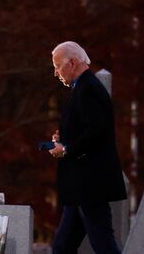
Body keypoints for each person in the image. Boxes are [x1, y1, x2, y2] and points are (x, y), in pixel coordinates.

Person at [49, 41, 127, 254]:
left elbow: (96, 132)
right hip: (81, 185)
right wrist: (64, 138)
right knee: (62, 247)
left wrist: (66, 149)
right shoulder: (83, 88)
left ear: (72, 63)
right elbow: (87, 128)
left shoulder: (89, 89)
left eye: (57, 66)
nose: (56, 73)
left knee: (103, 244)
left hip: (90, 184)